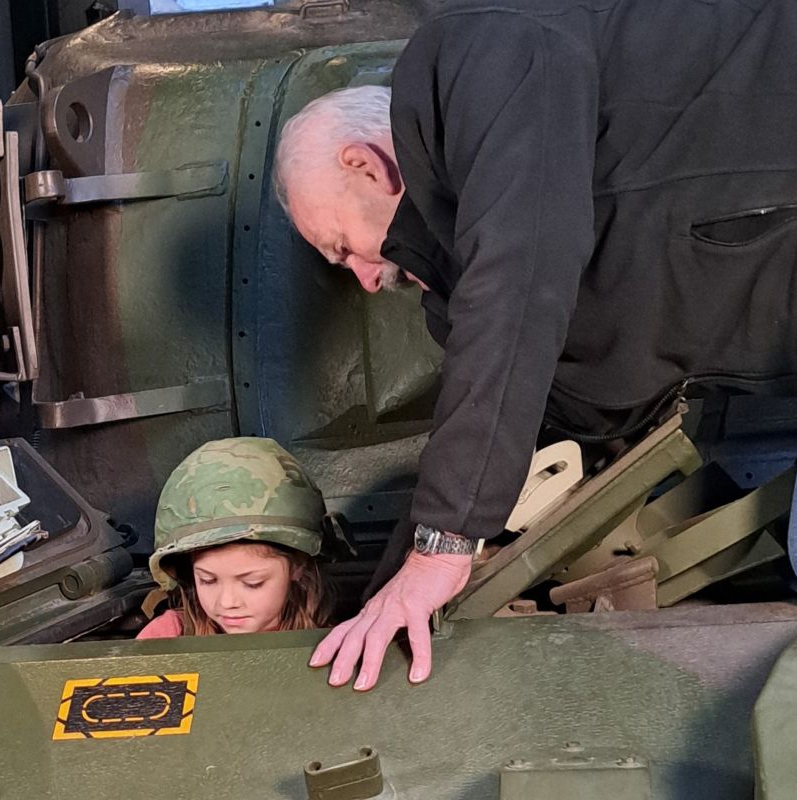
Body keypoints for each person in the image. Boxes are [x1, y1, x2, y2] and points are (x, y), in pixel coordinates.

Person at [273, 0, 797, 691]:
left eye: (342, 251)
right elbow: (531, 411)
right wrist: (374, 607)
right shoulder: (463, 285)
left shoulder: (476, 53)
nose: (366, 282)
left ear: (365, 165)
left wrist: (443, 546)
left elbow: (520, 267)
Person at [138, 437, 332, 639]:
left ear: (298, 566)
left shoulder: (332, 644)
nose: (227, 602)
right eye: (208, 580)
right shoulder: (166, 637)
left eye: (252, 583)